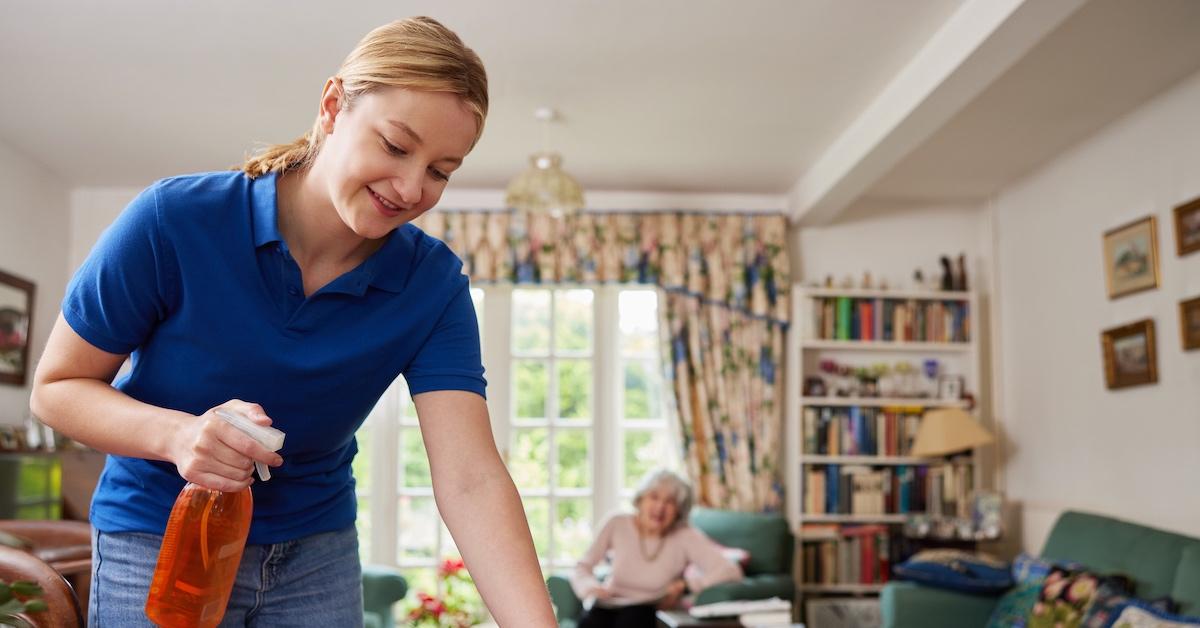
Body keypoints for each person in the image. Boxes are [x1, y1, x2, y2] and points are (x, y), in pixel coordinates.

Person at [29, 16, 556, 627]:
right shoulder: (173, 220)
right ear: (334, 106)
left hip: (315, 555)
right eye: (394, 145)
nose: (412, 187)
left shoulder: (431, 283)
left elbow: (471, 479)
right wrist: (176, 436)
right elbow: (55, 389)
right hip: (159, 538)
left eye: (442, 170)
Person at [571, 469, 743, 628]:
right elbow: (582, 567)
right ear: (641, 499)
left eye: (670, 502)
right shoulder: (617, 523)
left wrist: (687, 585)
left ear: (679, 511)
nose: (660, 507)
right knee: (591, 620)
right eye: (654, 497)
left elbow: (729, 570)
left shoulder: (685, 535)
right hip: (609, 602)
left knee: (632, 619)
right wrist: (590, 588)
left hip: (649, 609)